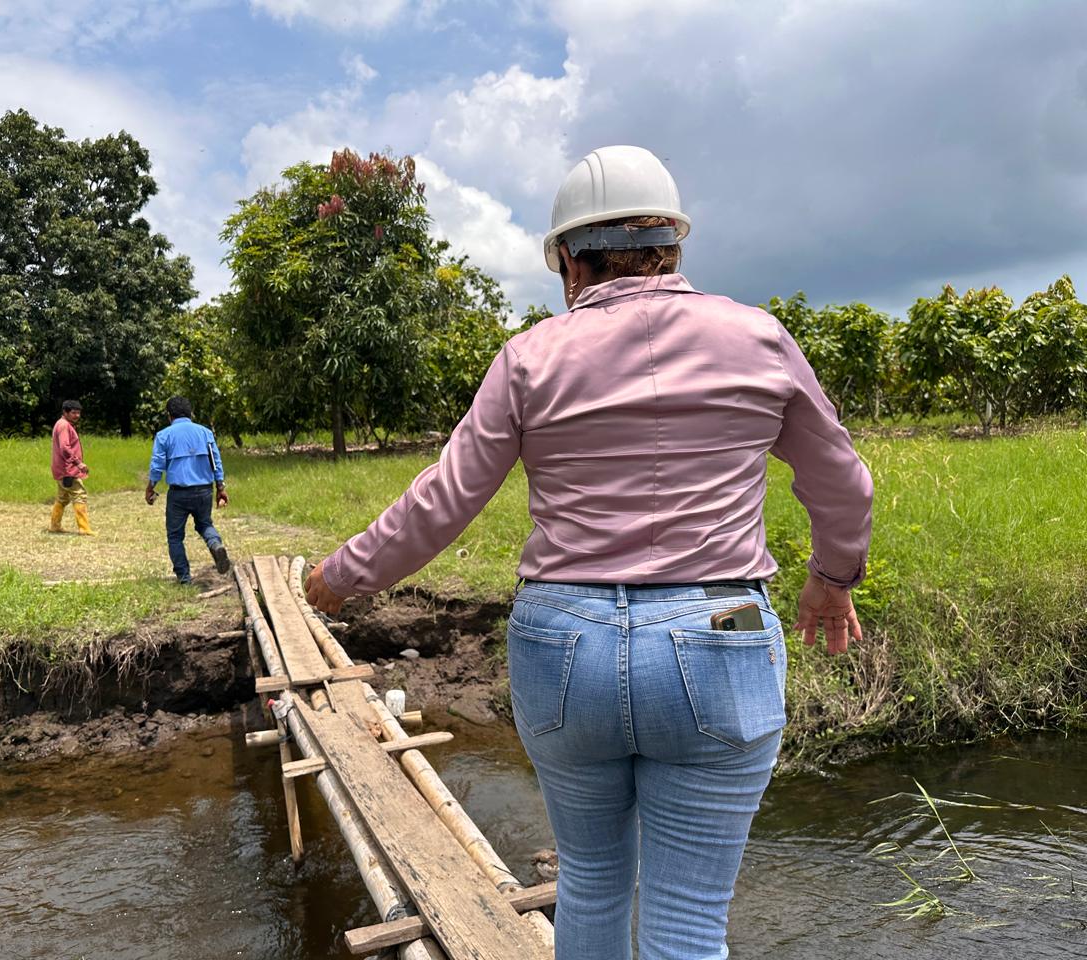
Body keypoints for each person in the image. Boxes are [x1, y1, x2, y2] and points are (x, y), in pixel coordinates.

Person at [306, 145, 874, 959]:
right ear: (671, 246)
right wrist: (831, 581)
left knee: (592, 882)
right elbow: (843, 481)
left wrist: (342, 575)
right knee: (689, 921)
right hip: (721, 631)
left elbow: (446, 497)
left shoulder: (530, 357)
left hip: (563, 643)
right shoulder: (758, 339)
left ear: (570, 260)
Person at [145, 396, 231, 584]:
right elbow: (215, 461)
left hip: (179, 494)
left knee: (175, 536)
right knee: (205, 524)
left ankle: (184, 578)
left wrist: (151, 488)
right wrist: (220, 487)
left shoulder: (164, 435)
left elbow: (157, 465)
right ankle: (216, 545)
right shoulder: (205, 433)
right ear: (190, 414)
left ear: (169, 415)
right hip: (204, 490)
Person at [50, 399, 94, 536]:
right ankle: (84, 528)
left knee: (62, 498)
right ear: (65, 412)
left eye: (78, 413)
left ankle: (55, 526)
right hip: (68, 470)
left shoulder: (62, 424)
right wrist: (78, 463)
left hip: (62, 469)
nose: (77, 416)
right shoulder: (64, 425)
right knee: (79, 495)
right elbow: (65, 447)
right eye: (74, 413)